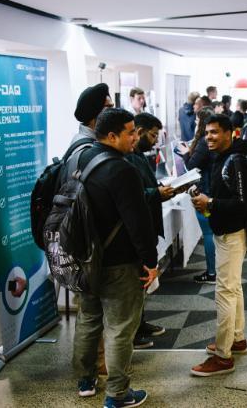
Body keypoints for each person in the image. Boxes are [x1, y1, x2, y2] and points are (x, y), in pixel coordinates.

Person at [73, 108, 159, 407]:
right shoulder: (123, 170)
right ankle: (117, 394)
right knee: (121, 328)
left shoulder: (83, 158)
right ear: (111, 136)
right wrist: (151, 261)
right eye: (130, 132)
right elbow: (138, 222)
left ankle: (85, 380)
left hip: (86, 259)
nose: (136, 137)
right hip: (119, 263)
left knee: (88, 319)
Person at [190, 114, 247, 376]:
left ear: (231, 133)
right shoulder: (224, 158)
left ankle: (223, 355)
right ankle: (236, 339)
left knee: (225, 291)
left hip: (232, 232)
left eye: (215, 132)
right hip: (228, 231)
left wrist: (211, 203)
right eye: (207, 132)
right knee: (233, 287)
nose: (209, 137)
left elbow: (242, 203)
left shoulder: (236, 161)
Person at [125, 113, 174, 348]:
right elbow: (130, 197)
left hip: (147, 225)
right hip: (135, 230)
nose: (155, 140)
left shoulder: (138, 156)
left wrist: (158, 190)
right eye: (153, 135)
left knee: (142, 279)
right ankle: (132, 332)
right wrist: (156, 194)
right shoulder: (124, 159)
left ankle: (140, 322)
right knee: (134, 282)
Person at [178, 107, 218, 284]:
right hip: (210, 190)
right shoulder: (210, 141)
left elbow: (193, 166)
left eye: (196, 122)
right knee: (211, 233)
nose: (194, 124)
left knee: (208, 233)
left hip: (204, 191)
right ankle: (214, 271)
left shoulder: (203, 142)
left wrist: (186, 154)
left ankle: (211, 273)